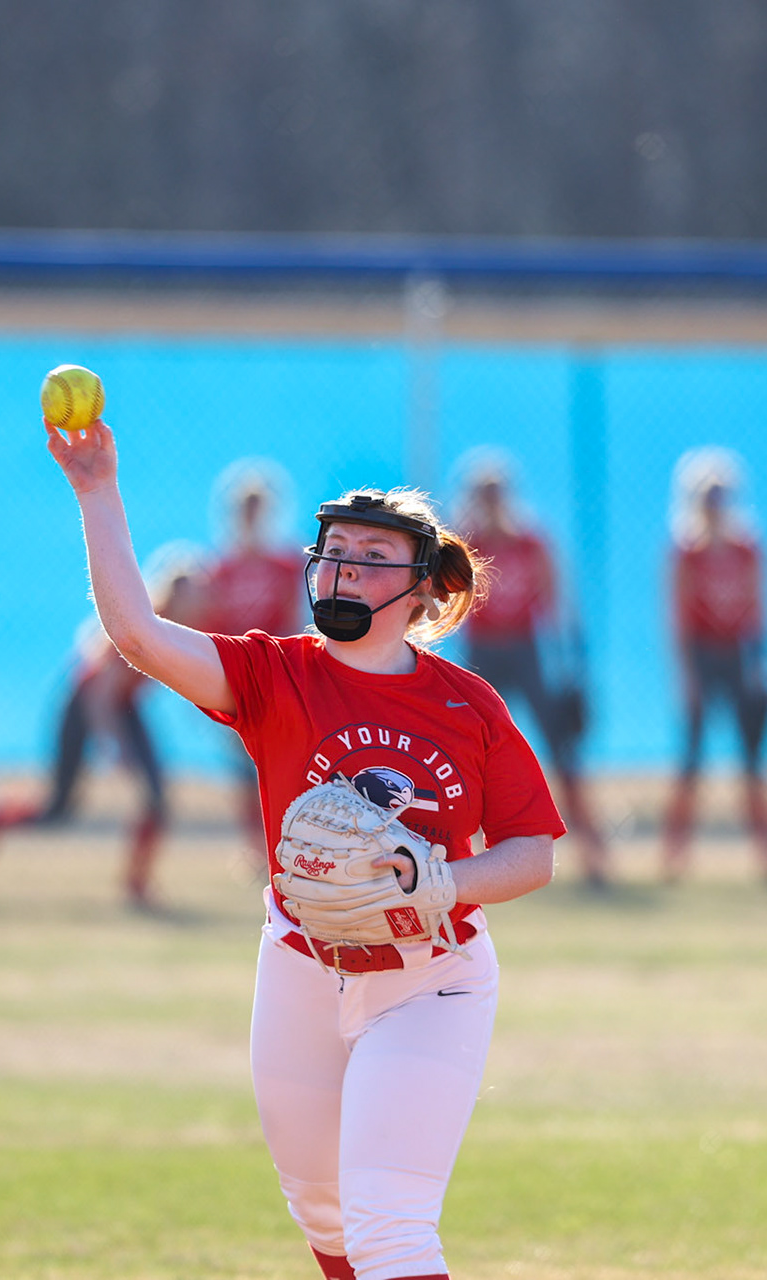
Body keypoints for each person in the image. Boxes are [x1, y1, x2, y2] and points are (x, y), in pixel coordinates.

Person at [47, 413, 562, 1280]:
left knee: (390, 1228)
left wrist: (436, 881)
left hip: (428, 977)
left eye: (371, 556)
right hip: (299, 964)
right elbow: (136, 634)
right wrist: (97, 491)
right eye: (336, 552)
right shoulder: (273, 673)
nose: (345, 567)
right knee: (324, 1214)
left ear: (422, 589)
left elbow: (531, 855)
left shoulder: (468, 706)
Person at [0, 544, 209, 909]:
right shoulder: (145, 621)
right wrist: (112, 745)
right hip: (85, 703)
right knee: (59, 809)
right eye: (195, 590)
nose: (204, 599)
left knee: (155, 797)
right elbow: (100, 690)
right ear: (174, 593)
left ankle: (136, 884)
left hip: (123, 706)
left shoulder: (185, 626)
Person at [451, 449, 609, 886]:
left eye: (497, 493)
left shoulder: (531, 542)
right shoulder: (468, 545)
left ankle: (594, 853)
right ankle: (465, 855)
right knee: (469, 751)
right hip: (482, 652)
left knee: (562, 751)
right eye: (483, 494)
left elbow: (556, 602)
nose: (491, 501)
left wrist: (567, 662)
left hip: (526, 649)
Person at [662, 447, 767, 884]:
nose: (716, 505)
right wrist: (687, 676)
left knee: (752, 764)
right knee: (692, 762)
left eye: (722, 496)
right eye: (708, 496)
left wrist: (760, 664)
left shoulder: (747, 549)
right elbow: (677, 619)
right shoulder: (686, 552)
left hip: (737, 656)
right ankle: (674, 856)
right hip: (703, 654)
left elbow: (759, 610)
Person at [204, 462, 309, 862]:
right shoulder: (220, 568)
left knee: (287, 761)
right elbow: (213, 627)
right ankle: (258, 846)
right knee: (244, 767)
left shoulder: (287, 564)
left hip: (276, 676)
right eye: (244, 508)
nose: (251, 516)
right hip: (236, 680)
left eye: (258, 507)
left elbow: (293, 621)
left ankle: (293, 841)